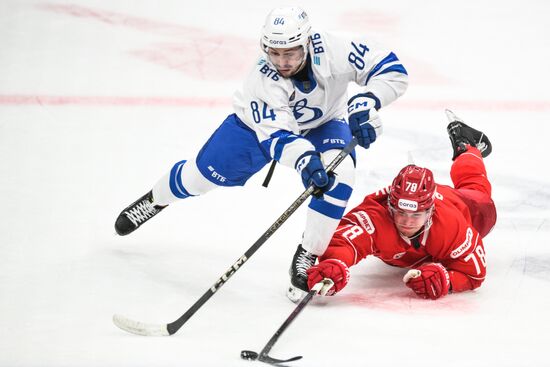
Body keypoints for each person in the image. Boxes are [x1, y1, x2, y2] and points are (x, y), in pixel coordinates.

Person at [114, 6, 408, 302]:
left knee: (339, 177)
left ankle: (309, 253)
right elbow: (277, 136)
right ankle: (156, 199)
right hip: (255, 129)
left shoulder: (336, 48)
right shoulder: (262, 79)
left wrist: (368, 101)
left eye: (290, 53)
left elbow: (391, 70)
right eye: (274, 52)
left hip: (325, 122)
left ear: (307, 42)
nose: (281, 61)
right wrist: (305, 160)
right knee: (198, 178)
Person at [306, 111, 496, 300]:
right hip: (415, 245)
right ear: (389, 205)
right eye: (400, 212)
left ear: (430, 211)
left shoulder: (450, 224)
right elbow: (344, 241)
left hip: (455, 202)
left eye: (416, 215)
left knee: (481, 198)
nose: (407, 221)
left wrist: (447, 281)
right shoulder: (376, 216)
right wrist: (334, 264)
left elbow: (473, 274)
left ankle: (466, 146)